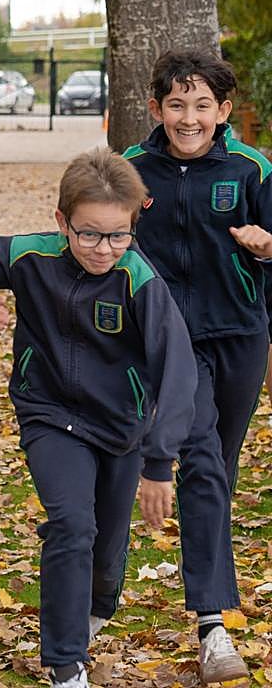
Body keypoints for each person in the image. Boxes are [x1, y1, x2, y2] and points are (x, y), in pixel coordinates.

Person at [0, 148, 195, 688]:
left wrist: (159, 462)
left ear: (135, 223)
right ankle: (65, 664)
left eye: (120, 235)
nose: (104, 249)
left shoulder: (139, 280)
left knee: (107, 551)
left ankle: (94, 609)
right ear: (61, 221)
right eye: (89, 234)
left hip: (120, 428)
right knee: (72, 524)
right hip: (48, 414)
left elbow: (179, 373)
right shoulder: (29, 256)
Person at [122, 48, 272, 683]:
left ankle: (209, 556)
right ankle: (214, 624)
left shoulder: (251, 169)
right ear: (156, 108)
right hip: (170, 342)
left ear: (224, 110)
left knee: (220, 464)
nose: (188, 117)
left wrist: (268, 248)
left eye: (202, 105)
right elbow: (96, 237)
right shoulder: (130, 168)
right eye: (176, 104)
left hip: (239, 335)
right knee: (203, 460)